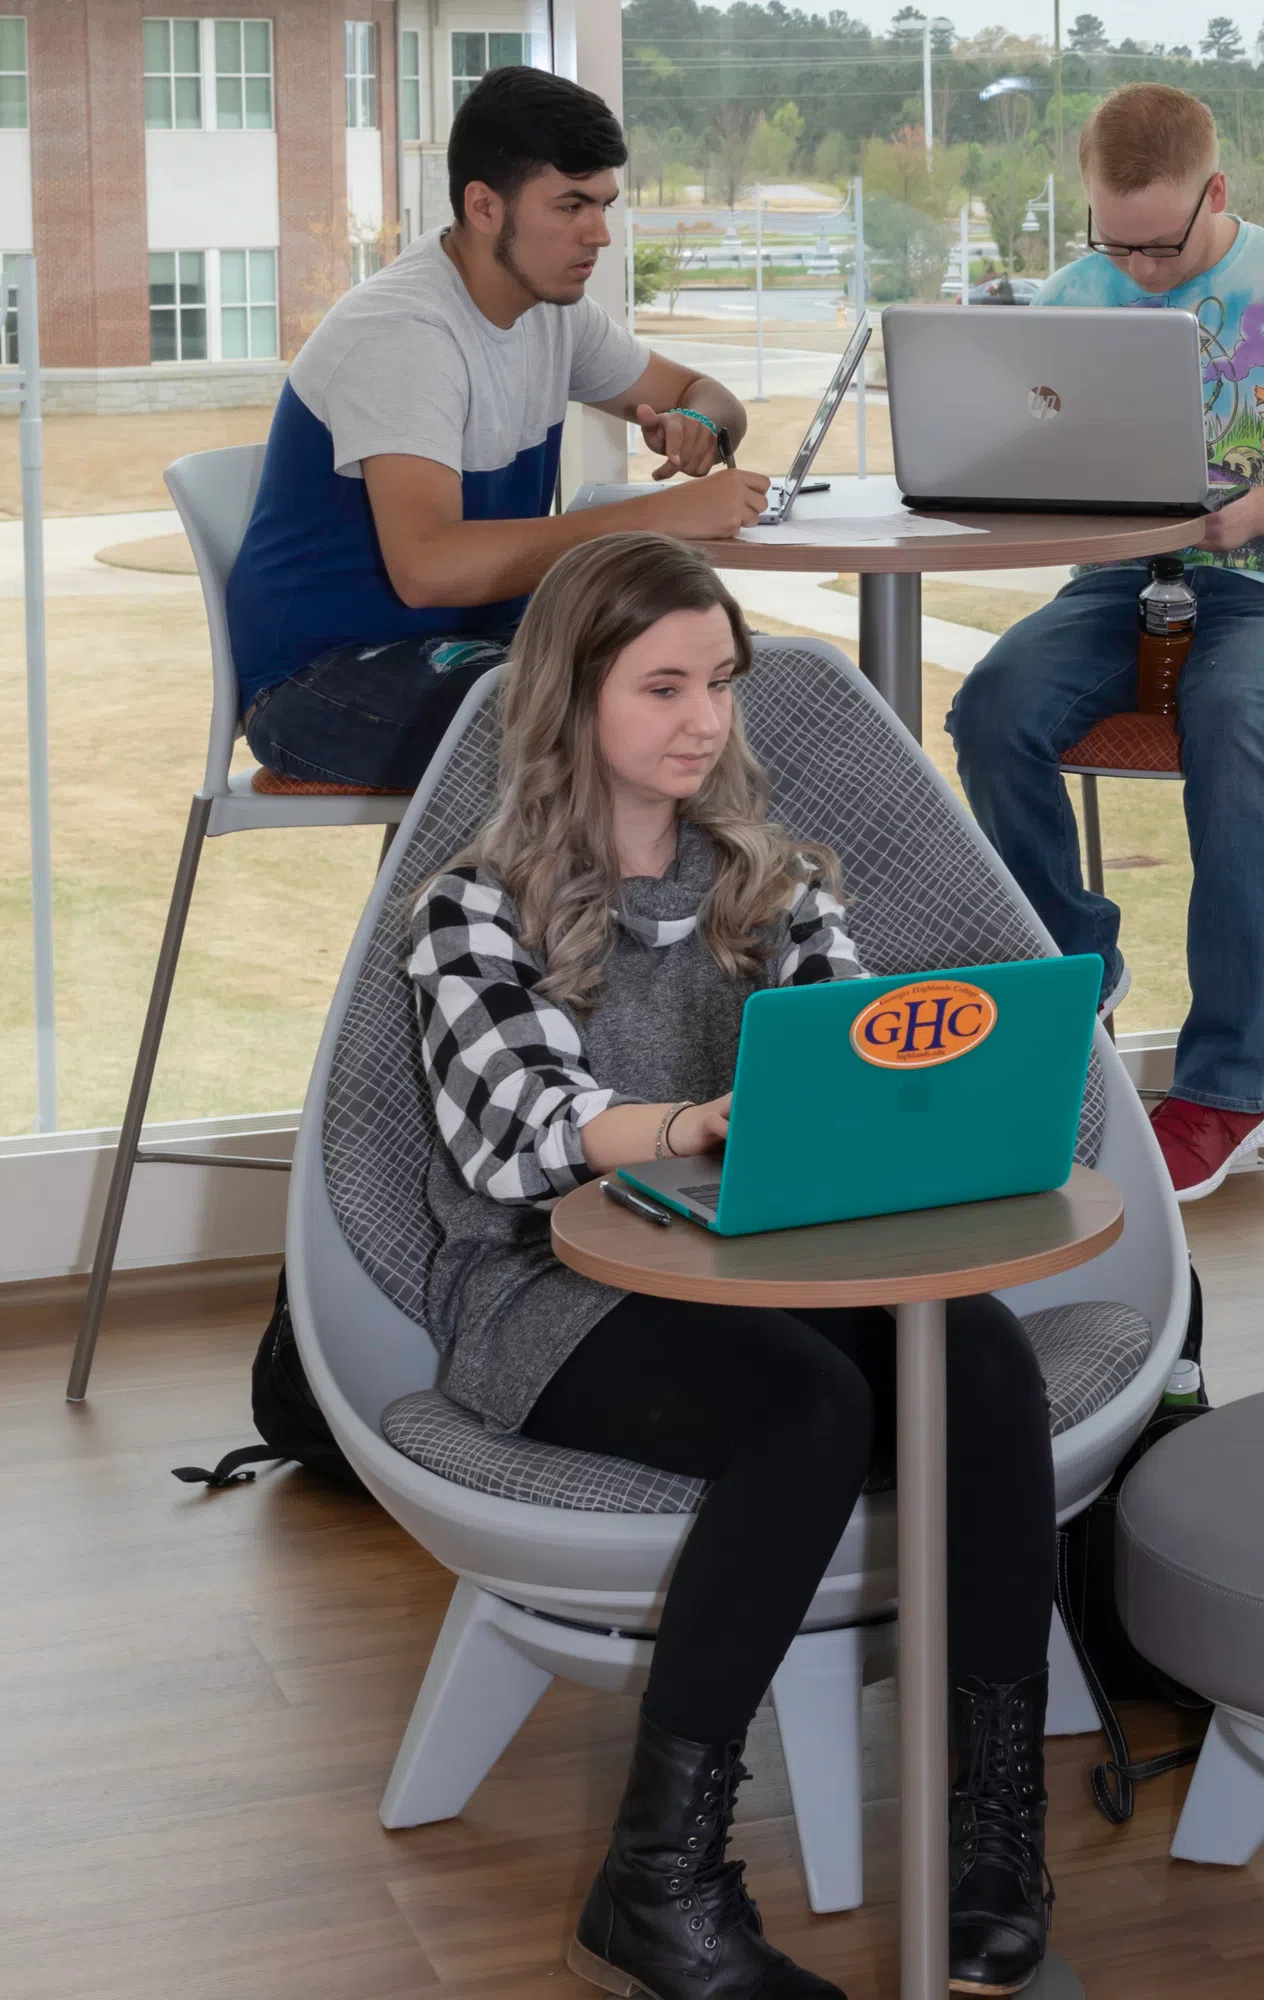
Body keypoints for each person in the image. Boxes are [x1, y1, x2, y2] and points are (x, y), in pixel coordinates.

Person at [407, 535, 1057, 2000]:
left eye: (721, 683)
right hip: (548, 1294)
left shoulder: (776, 881)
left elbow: (855, 1068)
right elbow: (522, 1134)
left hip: (766, 1268)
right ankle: (662, 1888)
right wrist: (694, 1120)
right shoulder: (473, 908)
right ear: (571, 701)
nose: (703, 720)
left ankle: (995, 1830)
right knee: (805, 1411)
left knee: (986, 1360)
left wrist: (916, 1088)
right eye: (663, 687)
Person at [947, 82, 1264, 1201]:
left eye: (1162, 245)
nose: (1142, 270)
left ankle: (1225, 1086)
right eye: (1119, 243)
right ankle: (1076, 968)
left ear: (1217, 193)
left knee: (1230, 712)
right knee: (991, 707)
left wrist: (1254, 512)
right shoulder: (1073, 296)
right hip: (1118, 587)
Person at [229, 66, 768, 793]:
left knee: (755, 686)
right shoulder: (403, 334)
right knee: (633, 724)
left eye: (604, 205)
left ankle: (771, 911)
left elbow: (708, 396)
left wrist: (701, 421)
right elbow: (428, 568)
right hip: (323, 679)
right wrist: (661, 520)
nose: (600, 234)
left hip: (487, 647)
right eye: (572, 205)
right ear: (484, 206)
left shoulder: (557, 312)